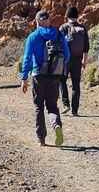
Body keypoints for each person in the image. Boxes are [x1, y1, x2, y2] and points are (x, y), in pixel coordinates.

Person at [21, 10, 70, 146]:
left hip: (38, 75)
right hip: (54, 76)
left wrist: (24, 79)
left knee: (39, 107)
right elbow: (67, 56)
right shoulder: (59, 34)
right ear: (49, 21)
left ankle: (41, 139)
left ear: (37, 22)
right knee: (52, 106)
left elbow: (27, 59)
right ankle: (56, 125)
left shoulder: (33, 36)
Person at [58, 6, 89, 116]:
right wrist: (84, 61)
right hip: (78, 58)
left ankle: (66, 105)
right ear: (77, 16)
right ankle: (75, 110)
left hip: (66, 59)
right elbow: (86, 47)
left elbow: (58, 45)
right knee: (76, 84)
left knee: (62, 81)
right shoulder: (82, 28)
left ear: (67, 16)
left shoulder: (64, 27)